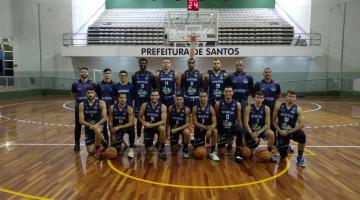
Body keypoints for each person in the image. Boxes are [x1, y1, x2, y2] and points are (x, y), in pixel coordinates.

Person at [273, 89, 306, 167]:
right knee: (283, 156)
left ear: (295, 98)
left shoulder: (298, 109)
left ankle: (300, 157)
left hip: (291, 131)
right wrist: (279, 130)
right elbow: (273, 121)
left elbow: (301, 125)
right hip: (281, 131)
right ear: (286, 96)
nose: (290, 98)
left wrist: (289, 132)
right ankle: (287, 147)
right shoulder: (279, 106)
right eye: (289, 96)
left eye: (292, 96)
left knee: (302, 135)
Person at [244, 90, 276, 161]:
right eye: (257, 97)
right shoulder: (248, 108)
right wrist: (252, 134)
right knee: (248, 154)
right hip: (251, 131)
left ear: (263, 99)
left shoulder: (266, 108)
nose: (259, 99)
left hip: (261, 131)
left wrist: (258, 132)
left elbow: (267, 125)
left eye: (261, 98)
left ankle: (269, 152)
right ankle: (256, 145)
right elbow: (246, 123)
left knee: (271, 134)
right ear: (254, 98)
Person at [215, 86, 244, 162]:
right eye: (226, 91)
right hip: (222, 128)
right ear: (223, 93)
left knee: (239, 131)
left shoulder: (237, 104)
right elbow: (216, 118)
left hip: (232, 127)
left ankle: (237, 150)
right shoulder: (218, 103)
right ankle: (228, 139)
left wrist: (242, 134)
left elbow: (239, 120)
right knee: (221, 153)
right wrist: (217, 133)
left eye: (230, 91)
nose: (228, 93)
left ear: (233, 93)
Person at [71, 67, 96, 151]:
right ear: (80, 73)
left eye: (85, 71)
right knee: (78, 126)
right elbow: (74, 94)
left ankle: (93, 142)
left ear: (88, 73)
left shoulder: (92, 83)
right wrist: (79, 102)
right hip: (79, 107)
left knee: (91, 124)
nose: (84, 73)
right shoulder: (75, 83)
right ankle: (77, 143)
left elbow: (95, 94)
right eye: (82, 72)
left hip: (90, 107)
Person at [132, 58, 156, 145]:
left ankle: (150, 137)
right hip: (138, 100)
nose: (142, 64)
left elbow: (155, 88)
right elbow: (134, 88)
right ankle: (138, 137)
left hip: (148, 101)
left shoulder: (151, 75)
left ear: (147, 64)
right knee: (139, 119)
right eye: (141, 63)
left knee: (150, 119)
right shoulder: (135, 75)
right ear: (139, 64)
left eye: (144, 63)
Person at [78, 88, 107, 159]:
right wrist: (90, 125)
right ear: (86, 94)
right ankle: (102, 141)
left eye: (92, 93)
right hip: (89, 127)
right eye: (88, 93)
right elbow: (81, 120)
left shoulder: (101, 103)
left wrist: (96, 125)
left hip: (99, 125)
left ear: (95, 94)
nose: (90, 94)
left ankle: (97, 149)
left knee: (97, 130)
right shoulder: (82, 104)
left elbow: (104, 118)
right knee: (90, 151)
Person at [138, 89, 167, 159]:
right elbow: (139, 117)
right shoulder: (144, 105)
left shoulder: (162, 106)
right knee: (149, 150)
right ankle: (156, 143)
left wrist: (151, 125)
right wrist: (144, 122)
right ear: (150, 96)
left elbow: (163, 121)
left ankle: (162, 149)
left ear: (159, 96)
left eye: (156, 95)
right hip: (148, 128)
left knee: (162, 128)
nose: (154, 97)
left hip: (157, 127)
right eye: (153, 95)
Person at [192, 91, 219, 161]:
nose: (202, 98)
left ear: (207, 98)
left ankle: (212, 152)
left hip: (208, 130)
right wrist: (205, 127)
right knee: (198, 154)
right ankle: (196, 142)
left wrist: (209, 130)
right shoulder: (195, 108)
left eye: (204, 96)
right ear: (199, 98)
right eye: (201, 97)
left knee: (215, 131)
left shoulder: (211, 108)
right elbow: (195, 122)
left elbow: (214, 122)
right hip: (198, 130)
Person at [109, 93, 135, 158]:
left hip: (125, 127)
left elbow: (131, 123)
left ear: (126, 99)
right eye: (121, 98)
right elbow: (110, 122)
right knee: (117, 150)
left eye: (124, 98)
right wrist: (112, 134)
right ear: (118, 99)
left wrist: (119, 127)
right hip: (116, 128)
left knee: (132, 129)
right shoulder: (112, 108)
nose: (122, 99)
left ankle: (131, 148)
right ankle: (122, 140)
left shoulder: (129, 109)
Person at [168, 93, 191, 158]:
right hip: (173, 129)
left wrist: (176, 129)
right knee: (174, 153)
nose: (179, 101)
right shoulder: (170, 108)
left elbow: (187, 124)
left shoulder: (186, 109)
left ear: (183, 100)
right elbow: (167, 120)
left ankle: (185, 150)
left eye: (180, 99)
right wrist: (167, 131)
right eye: (177, 99)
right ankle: (179, 144)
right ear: (175, 100)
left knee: (187, 132)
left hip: (182, 128)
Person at [96, 68, 114, 145]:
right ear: (103, 74)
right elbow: (97, 95)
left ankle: (113, 140)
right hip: (102, 109)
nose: (107, 74)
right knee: (103, 125)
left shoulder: (114, 84)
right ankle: (106, 140)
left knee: (111, 124)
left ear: (111, 74)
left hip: (111, 108)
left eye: (109, 73)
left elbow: (116, 96)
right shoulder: (99, 84)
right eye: (106, 73)